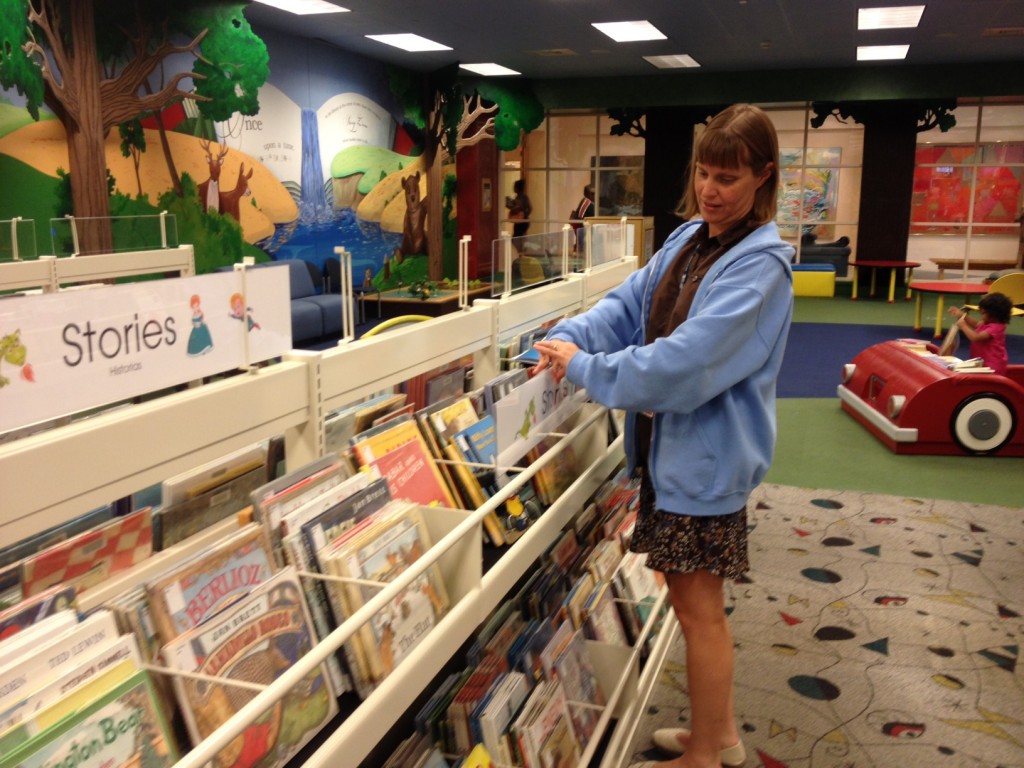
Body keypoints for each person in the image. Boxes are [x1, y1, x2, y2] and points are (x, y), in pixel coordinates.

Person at [531, 103, 794, 768]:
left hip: (705, 464)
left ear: (764, 178)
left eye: (728, 179)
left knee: (698, 605)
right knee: (692, 600)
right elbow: (630, 305)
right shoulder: (690, 238)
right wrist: (572, 338)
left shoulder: (761, 268)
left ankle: (707, 753)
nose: (711, 189)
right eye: (705, 173)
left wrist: (585, 368)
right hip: (671, 456)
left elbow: (688, 364)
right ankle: (723, 736)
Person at [947, 292, 1012, 375]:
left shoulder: (996, 328)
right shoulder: (988, 323)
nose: (981, 313)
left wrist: (963, 326)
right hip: (983, 362)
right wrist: (962, 315)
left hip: (992, 366)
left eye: (983, 312)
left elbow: (976, 338)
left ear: (994, 314)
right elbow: (976, 324)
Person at [570, 183, 596, 252]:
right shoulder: (587, 202)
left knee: (581, 244)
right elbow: (580, 217)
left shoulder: (589, 202)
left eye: (595, 194)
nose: (594, 196)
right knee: (581, 245)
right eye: (592, 194)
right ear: (586, 194)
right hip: (581, 226)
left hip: (583, 226)